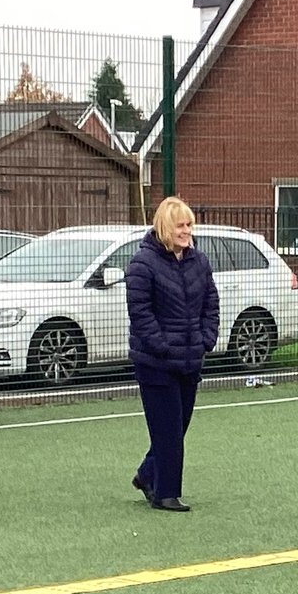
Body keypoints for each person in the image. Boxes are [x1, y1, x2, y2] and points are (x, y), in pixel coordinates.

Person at [126, 196, 219, 512]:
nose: (187, 230)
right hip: (155, 364)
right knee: (168, 432)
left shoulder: (199, 262)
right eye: (180, 225)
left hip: (190, 360)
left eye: (189, 224)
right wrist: (161, 346)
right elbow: (140, 312)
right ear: (166, 227)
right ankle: (166, 494)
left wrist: (207, 338)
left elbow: (211, 303)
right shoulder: (143, 264)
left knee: (176, 428)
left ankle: (147, 474)